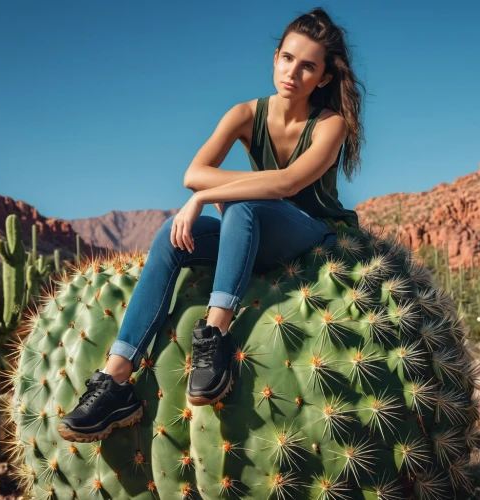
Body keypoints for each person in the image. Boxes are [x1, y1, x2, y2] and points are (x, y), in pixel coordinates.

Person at [58, 6, 364, 443]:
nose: (293, 72)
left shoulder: (330, 124)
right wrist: (201, 190)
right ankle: (115, 380)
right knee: (171, 234)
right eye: (287, 58)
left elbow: (288, 183)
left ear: (324, 77)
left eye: (308, 66)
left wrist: (207, 195)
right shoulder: (245, 114)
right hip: (253, 229)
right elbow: (192, 172)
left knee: (242, 206)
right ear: (275, 57)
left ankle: (214, 335)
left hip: (310, 234)